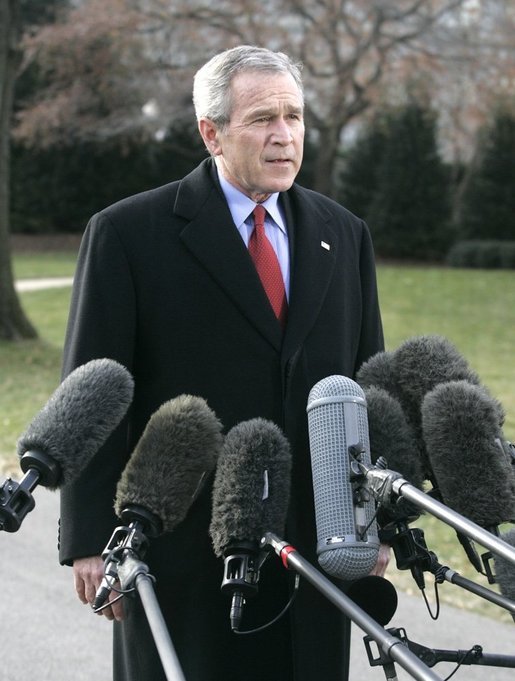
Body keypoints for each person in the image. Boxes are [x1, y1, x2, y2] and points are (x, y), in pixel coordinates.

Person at [59, 45, 387, 681]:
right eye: (263, 118)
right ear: (211, 132)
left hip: (318, 552)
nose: (285, 136)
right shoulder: (127, 235)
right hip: (183, 550)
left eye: (294, 117)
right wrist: (90, 540)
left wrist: (371, 524)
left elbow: (365, 389)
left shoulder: (343, 234)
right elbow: (92, 394)